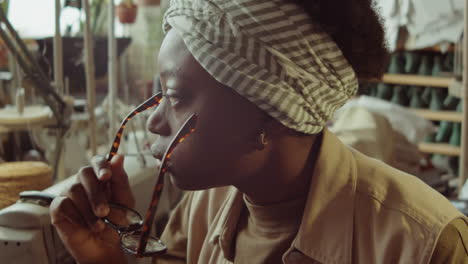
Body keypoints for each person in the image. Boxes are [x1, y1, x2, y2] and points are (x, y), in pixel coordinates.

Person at [50, 0, 468, 263]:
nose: (154, 121)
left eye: (174, 97)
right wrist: (109, 258)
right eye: (155, 98)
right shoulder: (203, 211)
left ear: (269, 114)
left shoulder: (424, 245)